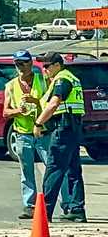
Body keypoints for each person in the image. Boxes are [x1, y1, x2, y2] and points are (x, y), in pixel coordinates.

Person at [34, 52, 87, 222]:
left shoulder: (62, 79)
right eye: (43, 66)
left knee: (54, 168)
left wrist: (38, 123)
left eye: (47, 66)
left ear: (57, 65)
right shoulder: (71, 78)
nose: (45, 69)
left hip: (64, 128)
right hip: (73, 127)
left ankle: (44, 211)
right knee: (73, 169)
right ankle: (76, 209)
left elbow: (55, 102)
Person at [2, 50, 49, 219]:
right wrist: (18, 110)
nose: (20, 67)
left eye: (23, 63)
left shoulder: (42, 80)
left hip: (42, 132)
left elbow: (52, 103)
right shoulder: (11, 86)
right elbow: (5, 112)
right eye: (17, 64)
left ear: (30, 63)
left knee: (52, 167)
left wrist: (36, 102)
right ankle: (30, 205)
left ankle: (58, 204)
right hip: (22, 133)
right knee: (26, 170)